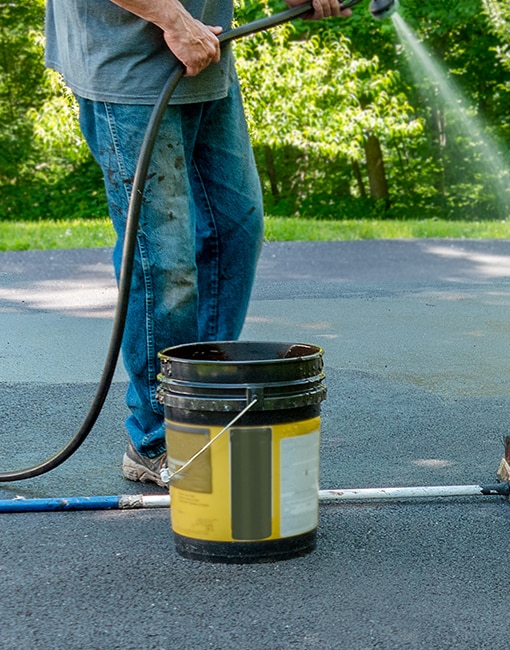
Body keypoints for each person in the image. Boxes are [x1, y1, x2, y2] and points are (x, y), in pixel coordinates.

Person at [44, 0, 348, 487]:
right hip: (130, 65)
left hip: (205, 56)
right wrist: (172, 18)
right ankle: (157, 439)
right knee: (163, 264)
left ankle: (204, 413)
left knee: (235, 230)